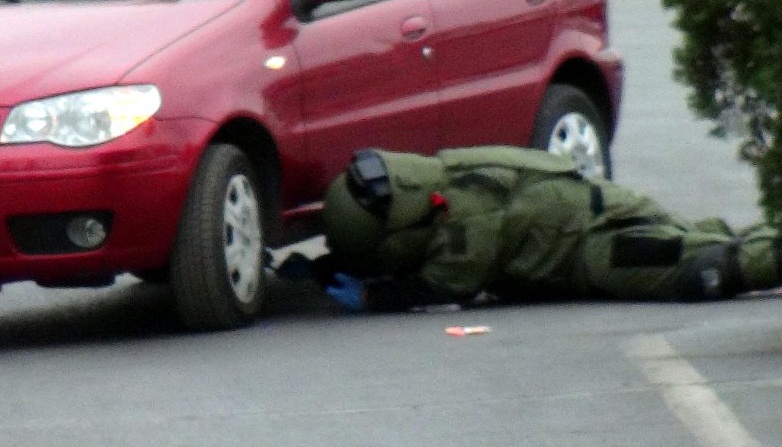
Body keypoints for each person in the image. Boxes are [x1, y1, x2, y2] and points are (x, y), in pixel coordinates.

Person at [275, 146, 782, 313]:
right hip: (601, 216)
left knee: (707, 271)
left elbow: (447, 283)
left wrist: (370, 297)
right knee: (705, 240)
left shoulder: (461, 218)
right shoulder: (432, 193)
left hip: (595, 239)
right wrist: (327, 268)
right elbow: (397, 254)